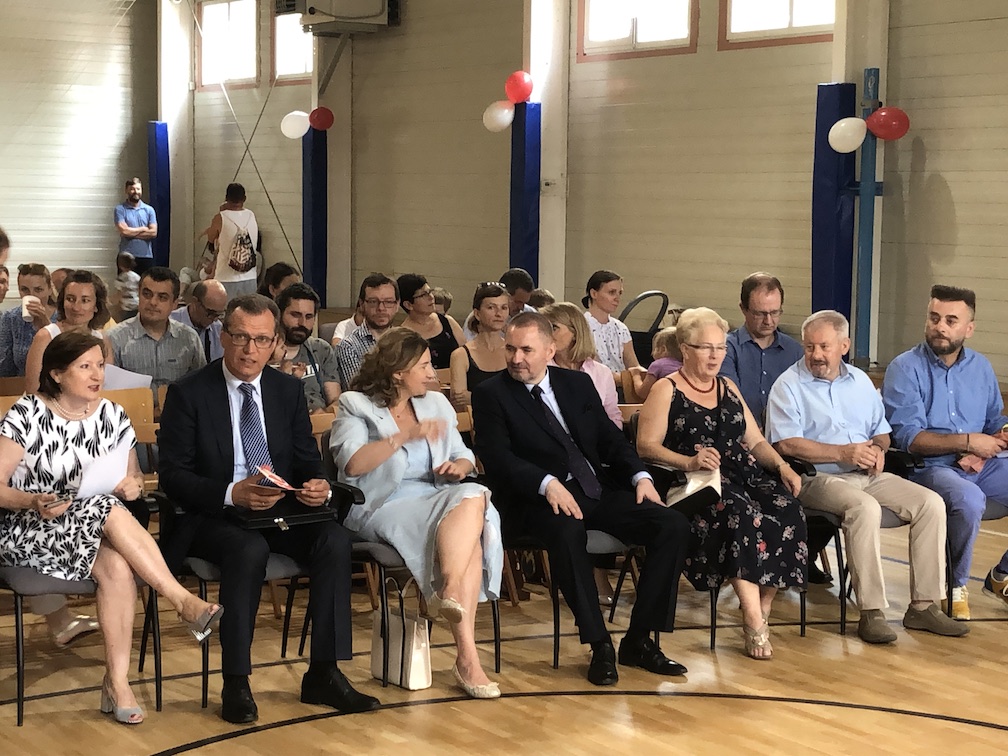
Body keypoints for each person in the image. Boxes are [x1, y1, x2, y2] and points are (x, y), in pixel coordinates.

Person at [158, 294, 379, 724]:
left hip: (278, 507)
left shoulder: (286, 390)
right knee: (248, 549)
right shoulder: (189, 393)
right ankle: (236, 681)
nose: (250, 349)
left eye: (261, 340)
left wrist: (316, 484)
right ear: (224, 337)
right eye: (241, 337)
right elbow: (173, 476)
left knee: (334, 540)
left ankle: (325, 673)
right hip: (214, 513)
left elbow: (305, 459)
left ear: (275, 342)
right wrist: (231, 492)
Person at [0, 332, 222, 725]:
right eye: (85, 366)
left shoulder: (112, 415)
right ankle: (180, 600)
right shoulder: (27, 413)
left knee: (117, 564)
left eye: (100, 365)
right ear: (57, 373)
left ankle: (117, 682)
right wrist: (33, 500)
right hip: (34, 527)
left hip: (93, 527)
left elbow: (131, 476)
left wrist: (134, 485)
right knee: (108, 509)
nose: (97, 375)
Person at [472, 312, 692, 685]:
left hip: (592, 487)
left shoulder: (575, 383)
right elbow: (498, 458)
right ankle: (599, 643)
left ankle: (639, 640)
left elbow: (608, 438)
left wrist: (639, 476)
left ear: (550, 350)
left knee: (671, 525)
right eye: (510, 349)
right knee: (567, 532)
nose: (516, 358)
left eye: (526, 350)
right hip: (533, 499)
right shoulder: (491, 393)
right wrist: (546, 483)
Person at [766, 310, 967, 643]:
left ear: (844, 346)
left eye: (824, 347)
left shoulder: (860, 381)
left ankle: (924, 606)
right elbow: (786, 443)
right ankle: (871, 612)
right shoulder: (788, 386)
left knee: (931, 503)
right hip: (814, 478)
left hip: (866, 473)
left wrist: (877, 449)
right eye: (809, 347)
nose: (816, 354)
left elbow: (882, 433)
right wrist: (843, 453)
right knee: (865, 508)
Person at [331, 328, 503, 699]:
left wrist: (458, 466)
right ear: (398, 372)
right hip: (381, 503)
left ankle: (451, 595)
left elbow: (465, 455)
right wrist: (402, 437)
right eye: (424, 365)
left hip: (436, 495)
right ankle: (467, 659)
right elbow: (353, 464)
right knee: (470, 538)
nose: (431, 373)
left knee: (474, 493)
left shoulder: (436, 403)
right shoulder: (355, 404)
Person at [636, 307, 807, 660]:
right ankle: (752, 617)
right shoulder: (667, 389)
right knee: (739, 515)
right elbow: (646, 446)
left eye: (720, 348)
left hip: (743, 473)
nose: (715, 356)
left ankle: (763, 606)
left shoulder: (728, 387)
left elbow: (755, 440)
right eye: (706, 348)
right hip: (695, 482)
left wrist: (782, 467)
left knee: (789, 509)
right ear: (685, 349)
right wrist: (688, 461)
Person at [882, 284, 1008, 621]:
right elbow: (909, 438)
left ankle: (1002, 576)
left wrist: (999, 435)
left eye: (951, 321)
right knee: (968, 499)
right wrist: (967, 442)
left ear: (969, 328)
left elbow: (995, 421)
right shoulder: (904, 368)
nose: (940, 327)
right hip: (928, 467)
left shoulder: (981, 368)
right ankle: (954, 586)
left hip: (981, 463)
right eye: (934, 318)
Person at [720, 272, 803, 430]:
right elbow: (730, 399)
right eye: (760, 314)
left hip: (785, 435)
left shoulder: (794, 351)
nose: (768, 321)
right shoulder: (726, 349)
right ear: (743, 309)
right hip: (741, 434)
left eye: (775, 312)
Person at [108, 267, 206, 398]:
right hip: (131, 410)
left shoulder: (189, 339)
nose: (153, 302)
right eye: (147, 294)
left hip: (177, 410)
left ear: (175, 303)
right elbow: (107, 391)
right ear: (139, 295)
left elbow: (201, 386)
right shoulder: (115, 339)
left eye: (162, 297)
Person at [24, 270, 114, 394]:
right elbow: (33, 390)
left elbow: (107, 386)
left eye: (85, 300)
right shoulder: (46, 337)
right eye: (70, 299)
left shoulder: (101, 339)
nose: (76, 307)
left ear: (96, 306)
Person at [541, 301, 621, 428]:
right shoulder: (540, 370)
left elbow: (612, 416)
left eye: (553, 327)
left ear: (575, 332)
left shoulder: (602, 373)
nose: (546, 335)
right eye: (543, 329)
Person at [272, 282, 340, 414]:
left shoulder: (321, 349)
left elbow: (335, 400)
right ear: (279, 314)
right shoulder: (263, 352)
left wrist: (322, 417)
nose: (302, 323)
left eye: (309, 317)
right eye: (295, 315)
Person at [448, 282, 508, 409]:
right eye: (491, 307)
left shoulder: (514, 351)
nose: (499, 314)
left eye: (504, 308)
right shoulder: (461, 355)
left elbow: (522, 397)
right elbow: (459, 402)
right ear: (477, 314)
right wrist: (504, 400)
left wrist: (475, 397)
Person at [335, 273, 399, 390]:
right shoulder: (348, 347)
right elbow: (360, 392)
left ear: (397, 305)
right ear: (362, 304)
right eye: (373, 302)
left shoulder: (407, 342)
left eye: (388, 302)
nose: (381, 308)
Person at [396, 273, 465, 370]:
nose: (431, 297)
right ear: (408, 305)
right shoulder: (403, 336)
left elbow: (466, 354)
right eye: (424, 295)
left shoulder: (447, 321)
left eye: (430, 291)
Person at [582, 269, 642, 378]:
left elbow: (633, 365)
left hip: (622, 383)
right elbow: (591, 367)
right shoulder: (581, 326)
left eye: (620, 293)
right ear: (594, 293)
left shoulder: (621, 328)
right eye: (611, 292)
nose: (617, 298)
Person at [0, 263, 57, 378]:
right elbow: (5, 368)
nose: (31, 295)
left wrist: (47, 326)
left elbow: (67, 360)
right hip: (21, 384)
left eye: (38, 290)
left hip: (56, 384)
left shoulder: (63, 317)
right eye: (24, 290)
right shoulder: (10, 318)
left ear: (49, 290)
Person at [205, 183, 259, 300]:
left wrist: (221, 211)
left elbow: (211, 238)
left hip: (226, 277)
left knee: (226, 310)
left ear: (226, 198)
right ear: (244, 198)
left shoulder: (220, 217)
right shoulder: (251, 215)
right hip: (249, 277)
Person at [461, 268, 537, 342]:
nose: (521, 307)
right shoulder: (478, 319)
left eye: (524, 303)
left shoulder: (530, 315)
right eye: (518, 302)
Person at [171, 279, 228, 363]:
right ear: (195, 302)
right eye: (210, 313)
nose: (214, 319)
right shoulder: (170, 323)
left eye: (219, 314)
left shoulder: (218, 329)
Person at [114, 177, 157, 274]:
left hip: (146, 256)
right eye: (132, 189)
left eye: (138, 189)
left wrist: (131, 233)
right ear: (126, 190)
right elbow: (124, 231)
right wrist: (143, 229)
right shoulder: (120, 209)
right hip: (126, 257)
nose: (136, 192)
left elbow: (153, 233)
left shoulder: (149, 210)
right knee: (126, 283)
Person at [636, 327, 682, 401]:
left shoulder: (658, 365)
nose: (652, 354)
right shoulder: (687, 366)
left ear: (663, 349)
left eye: (655, 349)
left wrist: (636, 376)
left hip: (662, 404)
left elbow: (643, 393)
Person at [113, 252, 140, 321]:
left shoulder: (121, 278)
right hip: (136, 305)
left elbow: (119, 294)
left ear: (120, 265)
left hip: (126, 307)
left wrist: (114, 304)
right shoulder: (137, 277)